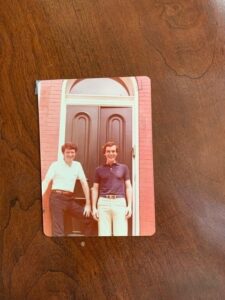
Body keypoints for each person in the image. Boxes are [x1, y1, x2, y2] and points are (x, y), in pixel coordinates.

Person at [41, 142, 92, 236]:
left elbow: (84, 183)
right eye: (67, 152)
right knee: (58, 230)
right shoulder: (55, 165)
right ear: (63, 153)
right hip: (57, 199)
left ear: (75, 153)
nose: (70, 154)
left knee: (88, 218)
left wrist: (88, 204)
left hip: (70, 199)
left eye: (72, 152)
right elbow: (46, 181)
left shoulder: (77, 165)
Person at [92, 141, 132, 236]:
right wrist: (94, 207)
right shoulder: (98, 169)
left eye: (113, 151)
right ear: (104, 153)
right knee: (103, 234)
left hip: (119, 202)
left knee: (121, 234)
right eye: (108, 151)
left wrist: (129, 206)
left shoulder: (124, 168)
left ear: (116, 153)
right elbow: (95, 189)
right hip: (103, 203)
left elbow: (128, 187)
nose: (111, 153)